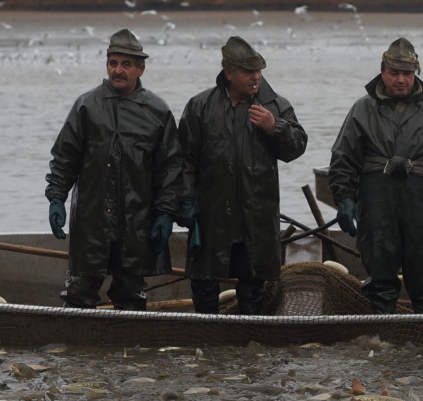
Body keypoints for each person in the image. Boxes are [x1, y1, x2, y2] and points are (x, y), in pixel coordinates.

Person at [328, 38, 423, 314]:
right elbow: (343, 157)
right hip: (376, 199)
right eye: (394, 73)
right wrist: (344, 198)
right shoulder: (362, 108)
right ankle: (383, 329)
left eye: (407, 73)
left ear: (416, 73)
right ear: (382, 72)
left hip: (421, 200)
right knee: (380, 270)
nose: (401, 80)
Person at [45, 28, 180, 311]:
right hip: (91, 219)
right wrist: (56, 197)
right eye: (113, 63)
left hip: (137, 221)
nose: (118, 70)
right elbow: (64, 157)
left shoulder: (157, 111)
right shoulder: (86, 106)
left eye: (126, 64)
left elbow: (170, 169)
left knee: (131, 294)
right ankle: (76, 340)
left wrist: (166, 213)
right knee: (79, 292)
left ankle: (128, 340)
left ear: (140, 69)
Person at [178, 36, 307, 315]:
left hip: (256, 216)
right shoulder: (200, 106)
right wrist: (185, 202)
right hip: (211, 216)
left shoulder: (276, 106)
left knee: (253, 288)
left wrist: (274, 127)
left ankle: (250, 338)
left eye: (258, 71)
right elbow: (185, 159)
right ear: (228, 73)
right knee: (204, 283)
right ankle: (207, 337)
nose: (256, 77)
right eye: (248, 72)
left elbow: (296, 149)